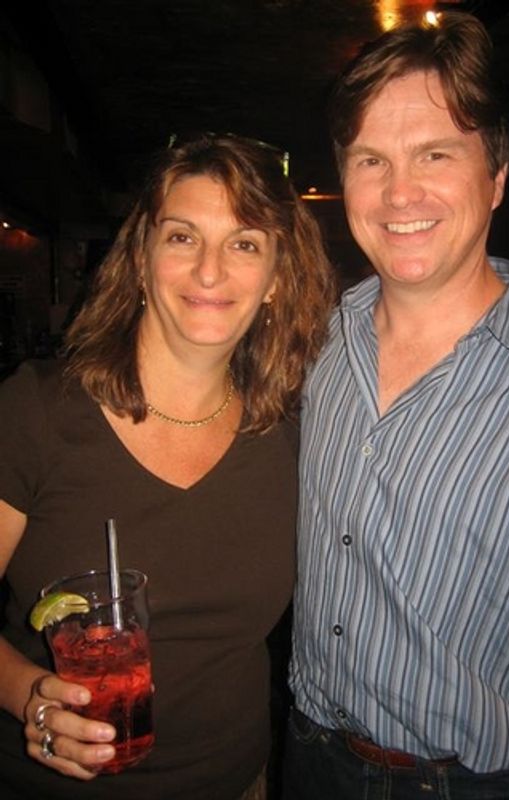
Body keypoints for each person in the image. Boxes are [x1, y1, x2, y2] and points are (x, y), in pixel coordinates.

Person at [284, 11, 509, 800]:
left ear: (496, 175)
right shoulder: (312, 346)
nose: (400, 193)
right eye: (370, 160)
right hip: (305, 753)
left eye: (435, 153)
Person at [0, 133, 335, 799]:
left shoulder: (293, 436)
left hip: (238, 784)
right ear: (141, 258)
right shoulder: (36, 410)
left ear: (274, 280)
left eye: (245, 243)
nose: (210, 271)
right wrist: (29, 694)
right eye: (182, 237)